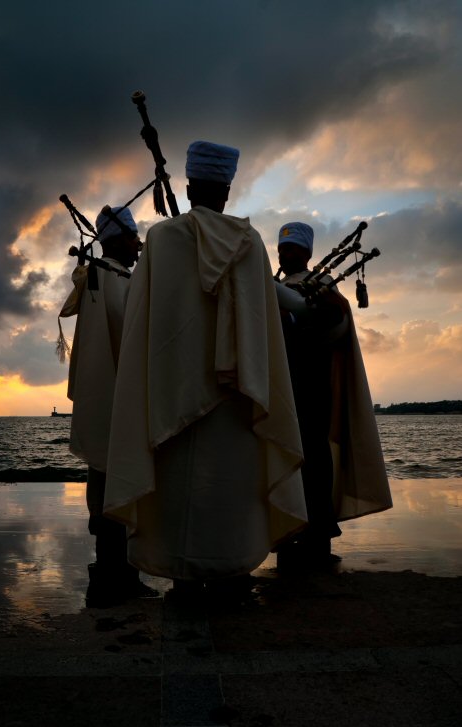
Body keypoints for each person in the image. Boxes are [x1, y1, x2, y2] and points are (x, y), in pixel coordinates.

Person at [102, 141, 308, 594]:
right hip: (238, 396)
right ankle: (232, 574)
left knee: (180, 496)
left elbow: (142, 321)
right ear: (227, 192)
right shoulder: (250, 243)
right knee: (230, 491)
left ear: (191, 186)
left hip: (171, 394)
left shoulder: (161, 239)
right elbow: (263, 325)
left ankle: (183, 580)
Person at [273, 221, 392, 565]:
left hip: (312, 383)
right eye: (282, 249)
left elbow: (335, 322)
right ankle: (286, 533)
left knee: (314, 457)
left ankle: (318, 537)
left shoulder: (323, 286)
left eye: (292, 249)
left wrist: (298, 321)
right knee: (285, 457)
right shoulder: (276, 287)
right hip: (282, 386)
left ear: (307, 253)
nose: (285, 254)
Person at [59, 205, 157, 605]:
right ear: (117, 239)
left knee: (109, 485)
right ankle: (115, 578)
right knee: (112, 486)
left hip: (117, 402)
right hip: (117, 402)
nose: (139, 245)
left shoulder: (116, 279)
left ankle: (116, 575)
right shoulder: (104, 280)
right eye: (134, 238)